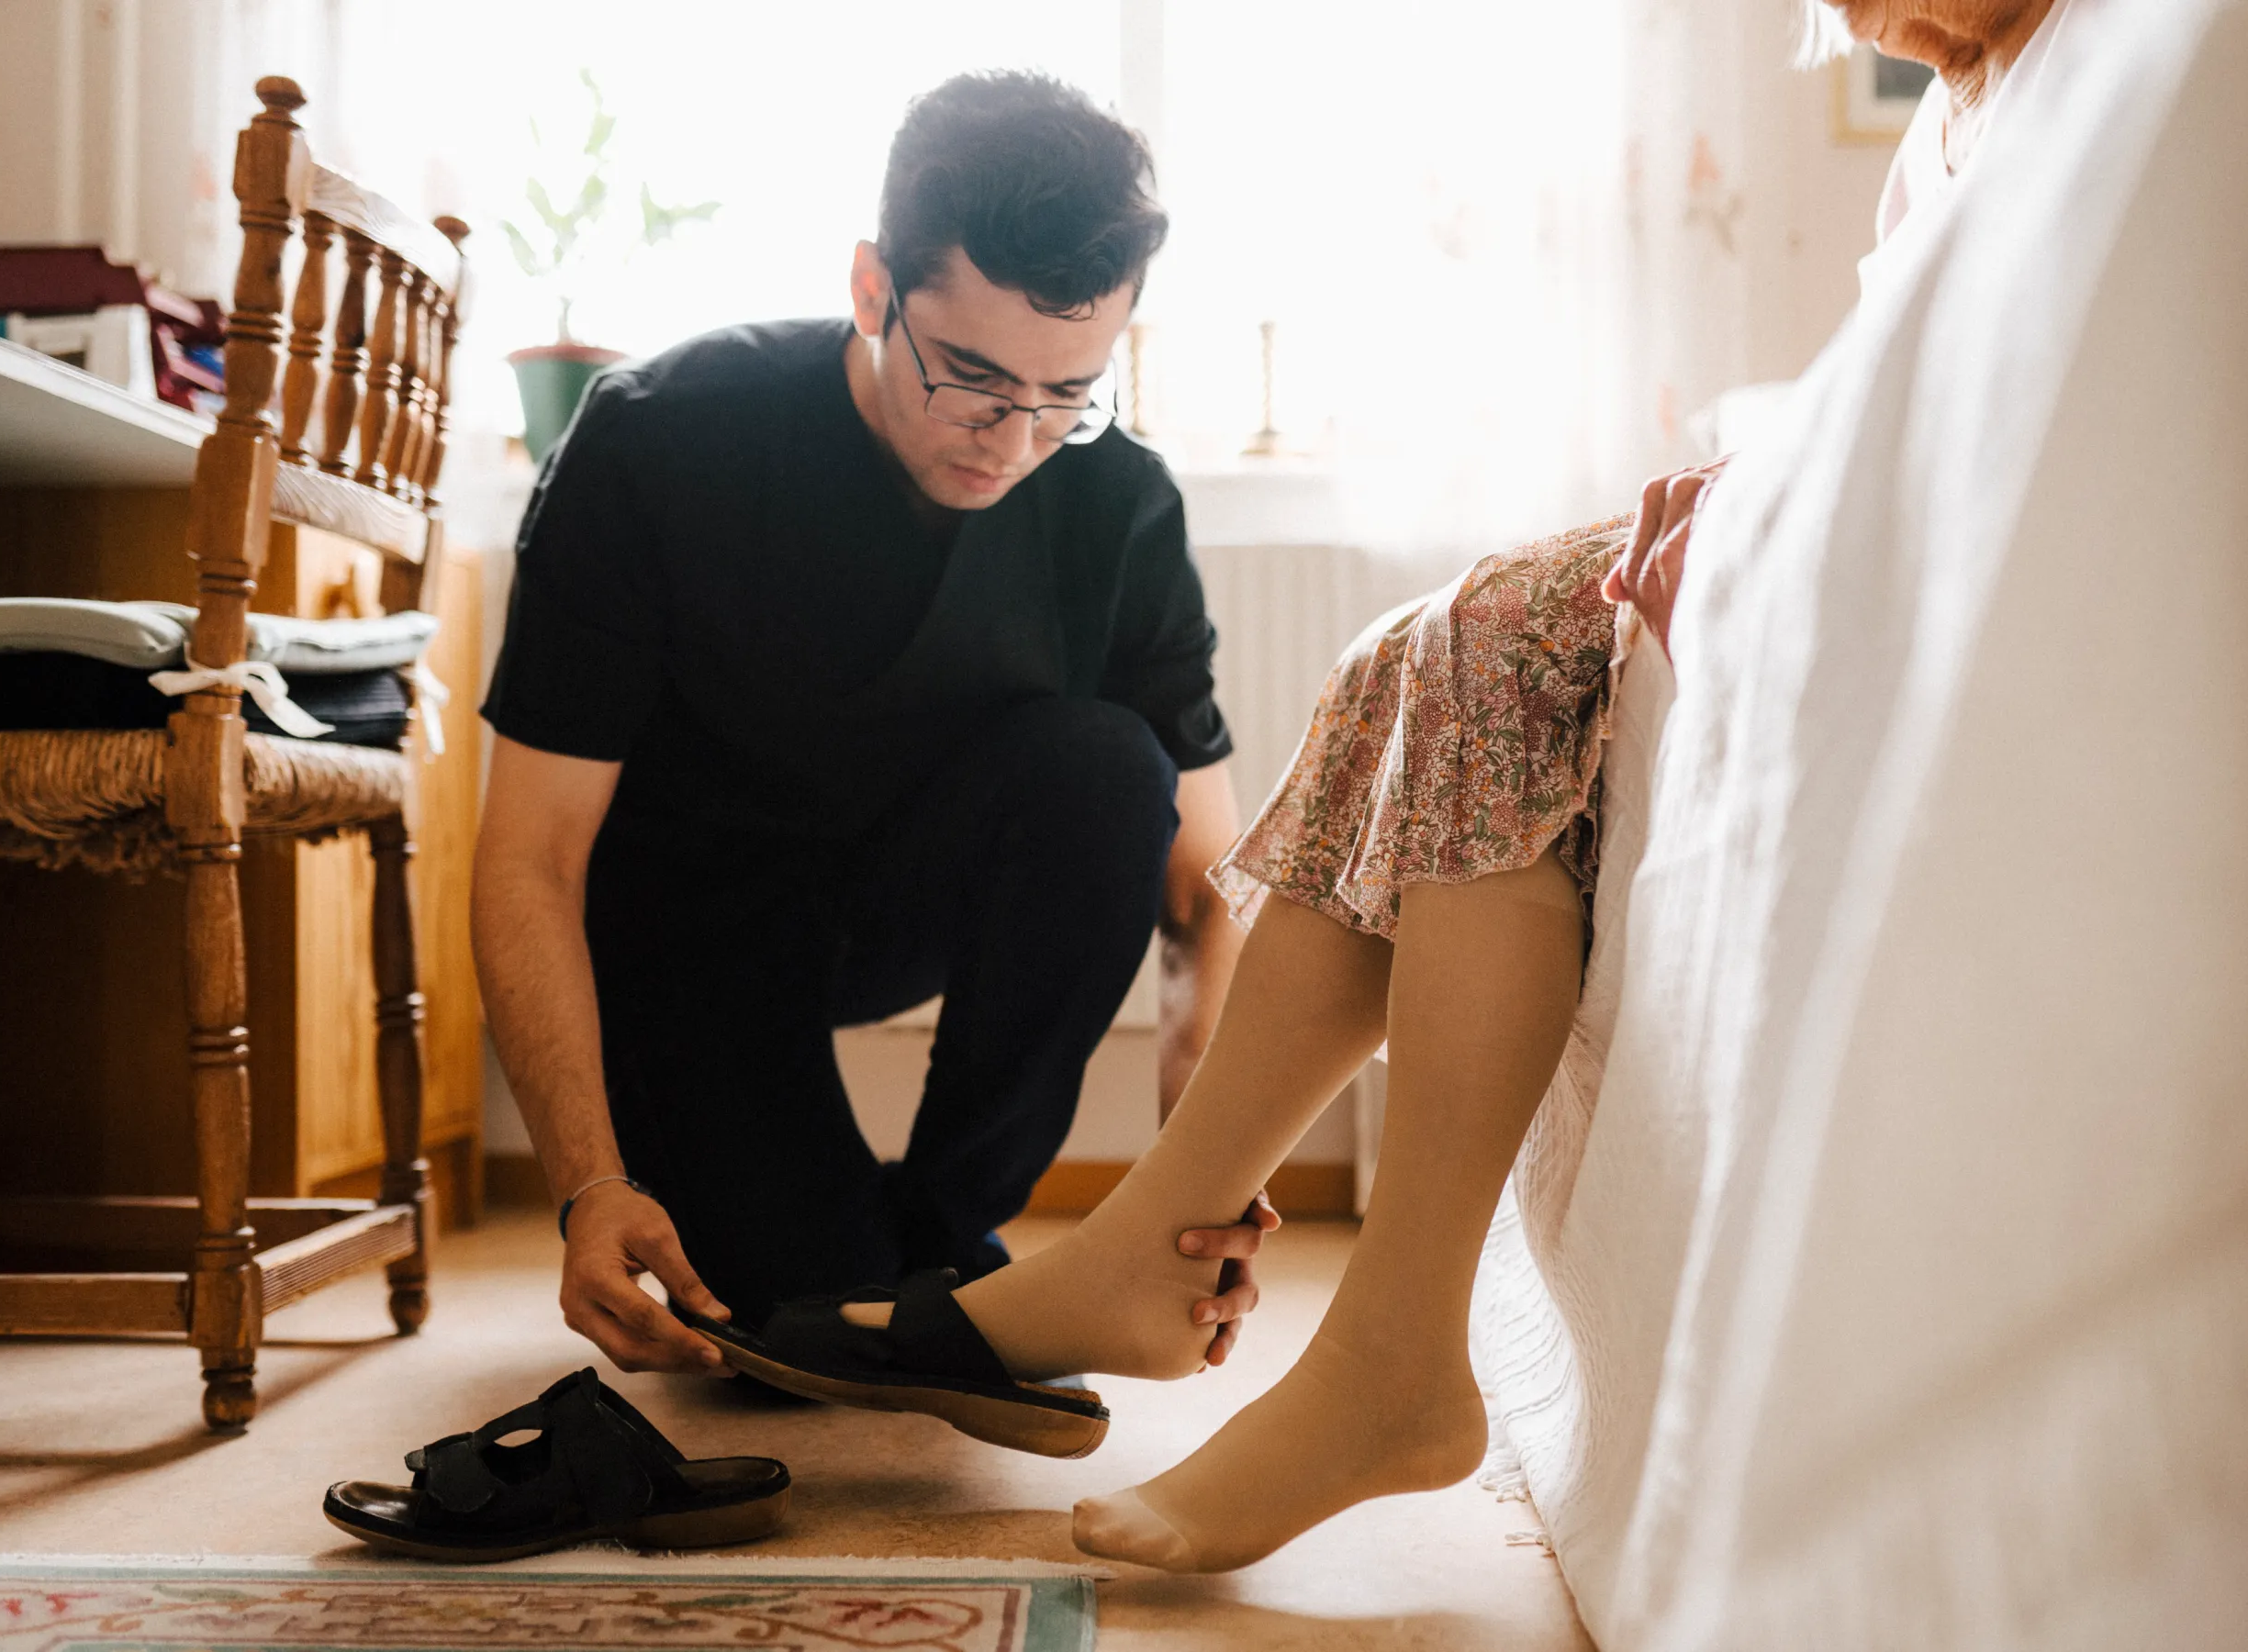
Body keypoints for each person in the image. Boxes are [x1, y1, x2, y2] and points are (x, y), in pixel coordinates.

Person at [800, 0, 2074, 1574]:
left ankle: (1377, 1348)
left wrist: (1770, 500)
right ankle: (1182, 1257)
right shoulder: (1957, 120)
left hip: (1967, 550)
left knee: (1482, 637)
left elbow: (2021, 421)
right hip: (1866, 517)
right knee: (1427, 646)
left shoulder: (2122, 74)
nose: (1866, 17)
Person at [472, 73, 1272, 1380]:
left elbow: (1206, 889)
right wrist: (585, 1187)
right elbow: (530, 858)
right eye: (971, 381)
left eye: (1068, 392)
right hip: (687, 930)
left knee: (1111, 770)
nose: (1014, 439)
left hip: (901, 893)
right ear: (869, 292)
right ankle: (874, 1273)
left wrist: (1205, 1190)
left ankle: (951, 1240)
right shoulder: (655, 444)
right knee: (788, 1333)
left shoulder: (1114, 500)